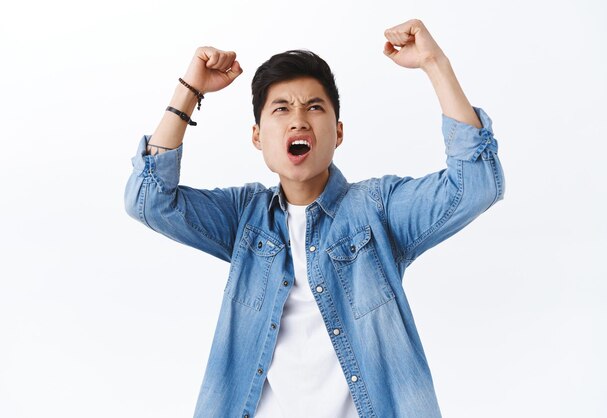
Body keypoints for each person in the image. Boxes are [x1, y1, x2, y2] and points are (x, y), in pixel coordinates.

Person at [125, 18, 504, 418]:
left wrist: (434, 62)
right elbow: (148, 200)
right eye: (282, 109)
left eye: (314, 107)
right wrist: (189, 91)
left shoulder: (378, 209)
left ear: (338, 132)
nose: (298, 120)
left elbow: (476, 184)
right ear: (257, 136)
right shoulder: (243, 218)